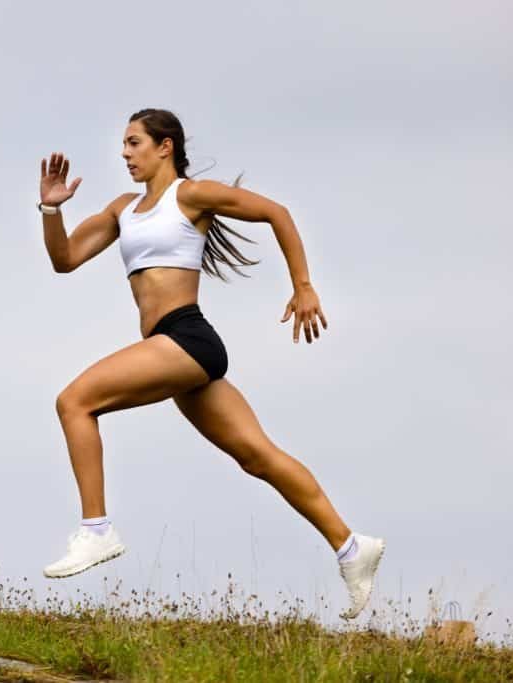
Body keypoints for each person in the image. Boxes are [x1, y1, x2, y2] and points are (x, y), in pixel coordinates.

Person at [37, 108, 384, 620]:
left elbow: (277, 212)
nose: (125, 153)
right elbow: (64, 259)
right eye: (124, 145)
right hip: (172, 349)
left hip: (187, 339)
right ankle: (352, 548)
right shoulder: (123, 210)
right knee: (257, 456)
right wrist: (50, 211)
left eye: (134, 143)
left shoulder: (190, 197)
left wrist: (304, 286)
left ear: (165, 147)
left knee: (74, 401)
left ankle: (96, 530)